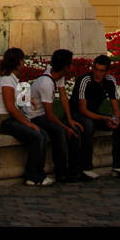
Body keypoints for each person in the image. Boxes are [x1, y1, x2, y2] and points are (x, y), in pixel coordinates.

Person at [0, 46, 53, 186]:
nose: (24, 63)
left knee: (41, 133)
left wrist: (28, 98)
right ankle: (34, 175)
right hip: (1, 120)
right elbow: (11, 107)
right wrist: (27, 123)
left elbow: (19, 100)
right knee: (36, 135)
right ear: (17, 62)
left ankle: (37, 174)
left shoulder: (13, 79)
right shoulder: (6, 80)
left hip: (8, 119)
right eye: (22, 60)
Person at [70, 54, 120, 179]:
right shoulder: (85, 80)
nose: (97, 73)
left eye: (101, 71)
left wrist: (115, 119)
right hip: (77, 114)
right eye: (96, 69)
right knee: (88, 125)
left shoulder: (110, 81)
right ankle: (86, 167)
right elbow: (82, 110)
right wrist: (103, 118)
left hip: (94, 114)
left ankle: (119, 166)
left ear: (107, 72)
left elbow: (115, 107)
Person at [28, 48, 83, 183]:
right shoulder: (46, 83)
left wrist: (69, 120)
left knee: (73, 129)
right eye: (71, 63)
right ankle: (61, 172)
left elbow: (63, 97)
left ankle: (75, 170)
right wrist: (65, 127)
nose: (72, 66)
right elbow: (50, 115)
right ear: (66, 67)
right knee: (60, 131)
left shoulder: (58, 75)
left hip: (43, 114)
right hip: (34, 116)